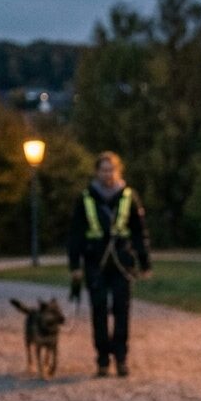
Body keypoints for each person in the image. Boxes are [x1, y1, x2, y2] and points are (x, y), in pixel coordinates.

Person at [68, 151, 151, 377]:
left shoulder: (128, 197)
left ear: (118, 171)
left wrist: (145, 263)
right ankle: (103, 359)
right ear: (97, 172)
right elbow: (75, 233)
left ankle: (121, 357)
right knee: (99, 309)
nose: (108, 174)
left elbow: (139, 232)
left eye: (111, 170)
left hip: (122, 261)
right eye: (103, 170)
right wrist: (74, 265)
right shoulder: (86, 198)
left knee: (122, 311)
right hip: (95, 262)